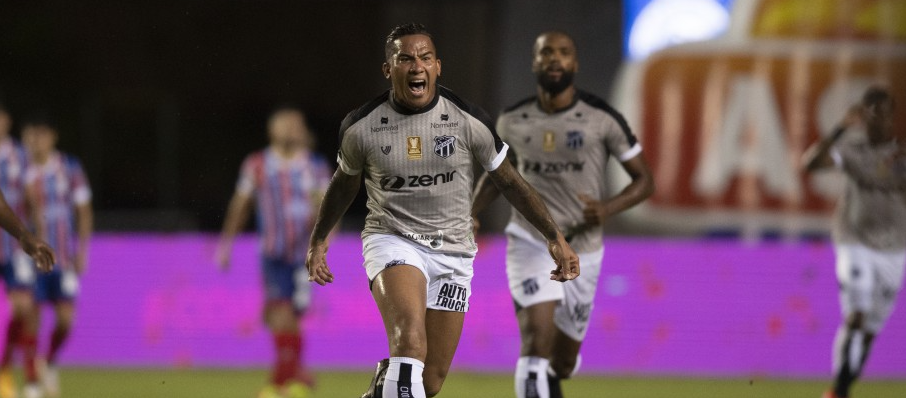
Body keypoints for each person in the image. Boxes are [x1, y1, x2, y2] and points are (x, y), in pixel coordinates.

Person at [305, 23, 579, 398]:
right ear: (389, 70)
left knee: (429, 381)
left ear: (437, 67)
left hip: (453, 251)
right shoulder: (361, 127)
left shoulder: (468, 120)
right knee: (410, 343)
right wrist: (319, 238)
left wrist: (554, 236)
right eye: (406, 59)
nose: (417, 66)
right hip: (393, 240)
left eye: (425, 58)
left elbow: (510, 182)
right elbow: (344, 183)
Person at [472, 31, 655, 398]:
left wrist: (607, 209)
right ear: (534, 62)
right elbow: (498, 178)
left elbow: (644, 181)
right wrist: (470, 214)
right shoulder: (512, 120)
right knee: (536, 341)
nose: (555, 59)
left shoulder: (602, 119)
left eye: (564, 53)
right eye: (546, 53)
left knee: (562, 362)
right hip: (530, 240)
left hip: (584, 248)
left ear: (575, 63)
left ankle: (554, 375)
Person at [217, 107, 331, 398]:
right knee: (279, 313)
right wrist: (226, 242)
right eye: (286, 124)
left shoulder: (315, 166)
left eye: (297, 124)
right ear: (273, 130)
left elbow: (330, 208)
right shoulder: (256, 165)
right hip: (273, 253)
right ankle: (284, 381)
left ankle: (292, 374)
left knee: (289, 315)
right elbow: (240, 204)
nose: (292, 128)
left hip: (305, 256)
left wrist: (324, 240)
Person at [802, 86, 906, 398]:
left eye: (885, 111)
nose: (879, 118)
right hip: (854, 240)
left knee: (871, 330)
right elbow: (811, 164)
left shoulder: (901, 155)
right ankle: (838, 392)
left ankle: (843, 387)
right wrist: (839, 129)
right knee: (856, 315)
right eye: (872, 111)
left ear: (892, 116)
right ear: (864, 115)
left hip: (894, 247)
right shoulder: (851, 150)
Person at [21, 114, 92, 398]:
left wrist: (83, 250)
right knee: (31, 318)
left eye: (45, 134)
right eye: (36, 135)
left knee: (65, 321)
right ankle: (32, 384)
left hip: (63, 257)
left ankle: (48, 361)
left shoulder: (69, 168)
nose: (40, 140)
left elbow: (83, 210)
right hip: (31, 260)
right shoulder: (23, 171)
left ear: (53, 137)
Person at [0, 104, 54, 398]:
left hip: (9, 244)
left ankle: (13, 370)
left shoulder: (18, 155)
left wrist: (29, 236)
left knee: (23, 308)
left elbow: (30, 198)